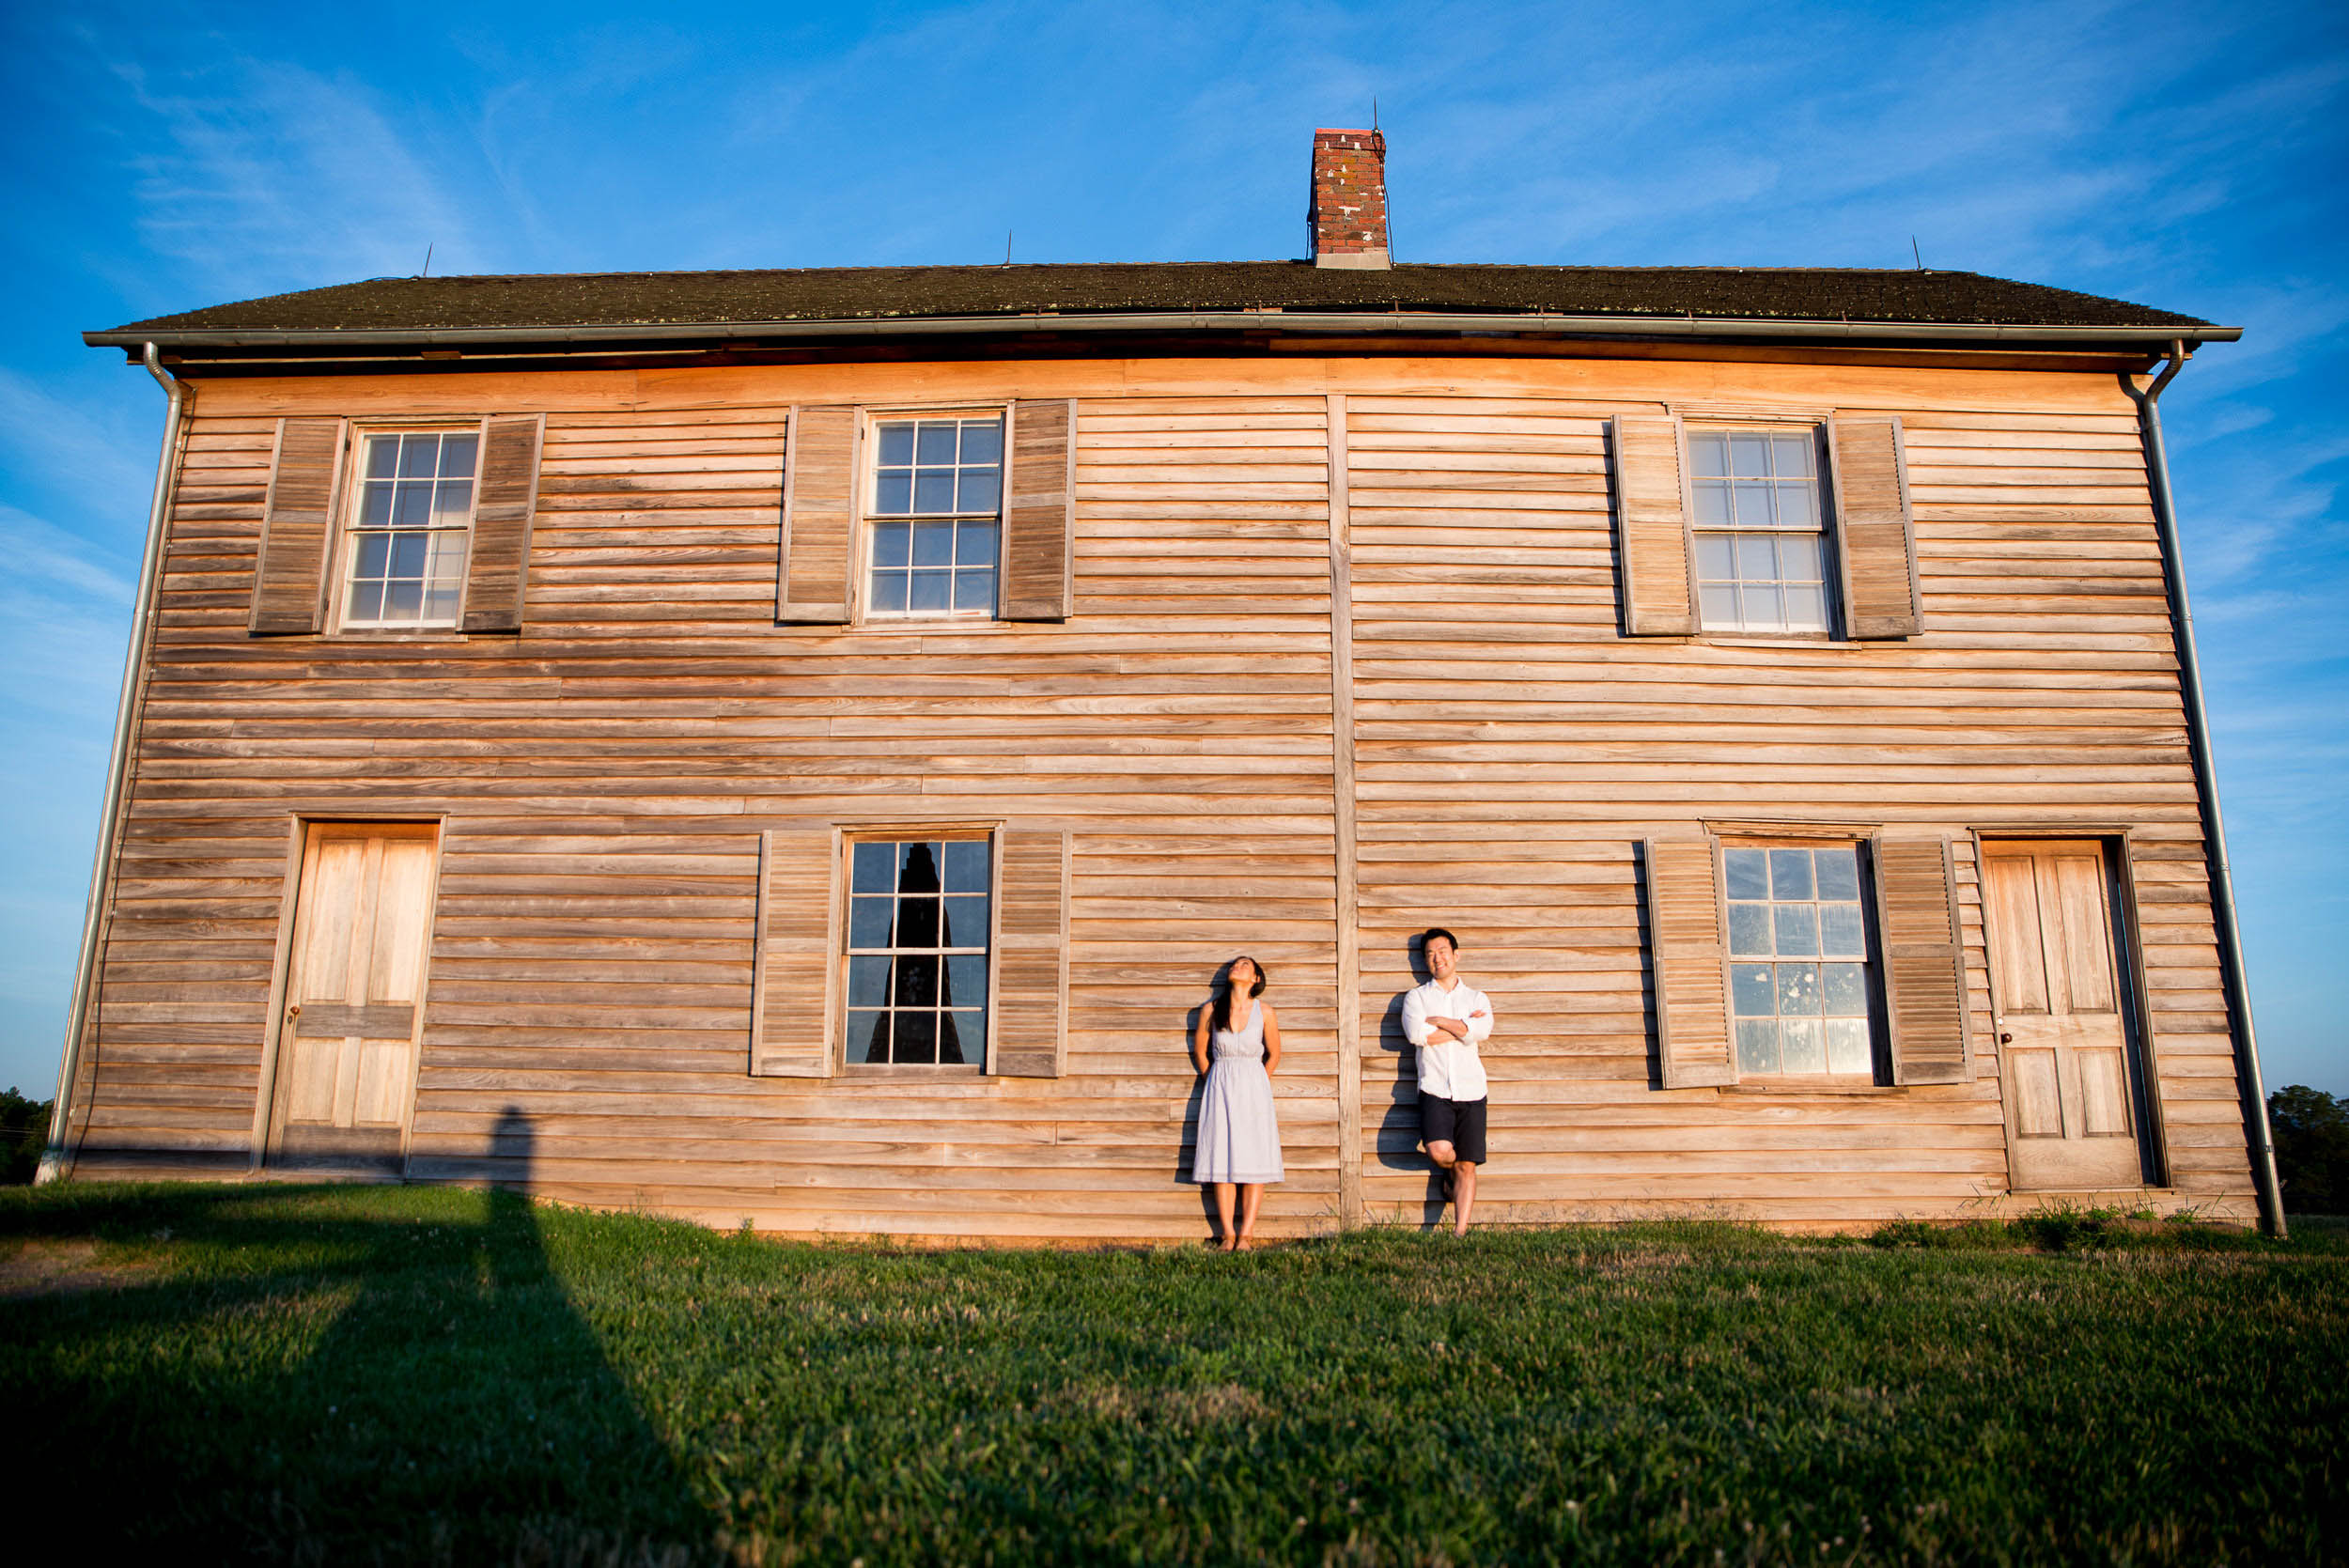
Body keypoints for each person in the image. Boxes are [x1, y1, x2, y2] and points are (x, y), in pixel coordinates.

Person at [1400, 927, 1491, 1235]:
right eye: (1430, 954)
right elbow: (1416, 1035)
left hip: (1472, 1088)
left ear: (1455, 955)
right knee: (1439, 1151)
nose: (1437, 958)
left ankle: (1459, 1232)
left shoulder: (1476, 997)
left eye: (1442, 951)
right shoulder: (1417, 997)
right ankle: (1452, 1172)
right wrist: (1463, 1026)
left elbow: (1483, 1031)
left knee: (1469, 1164)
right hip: (1434, 1087)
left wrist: (1441, 1023)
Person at [1189, 955, 1283, 1250]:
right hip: (1220, 1084)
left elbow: (1275, 1054)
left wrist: (1259, 1082)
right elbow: (1201, 1052)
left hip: (1254, 1086)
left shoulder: (1265, 1012)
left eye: (1245, 965)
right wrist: (1213, 1078)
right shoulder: (1211, 1010)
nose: (1237, 967)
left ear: (1256, 979)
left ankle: (1247, 1234)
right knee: (1222, 1155)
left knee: (1254, 1156)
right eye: (1234, 964)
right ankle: (1228, 1234)